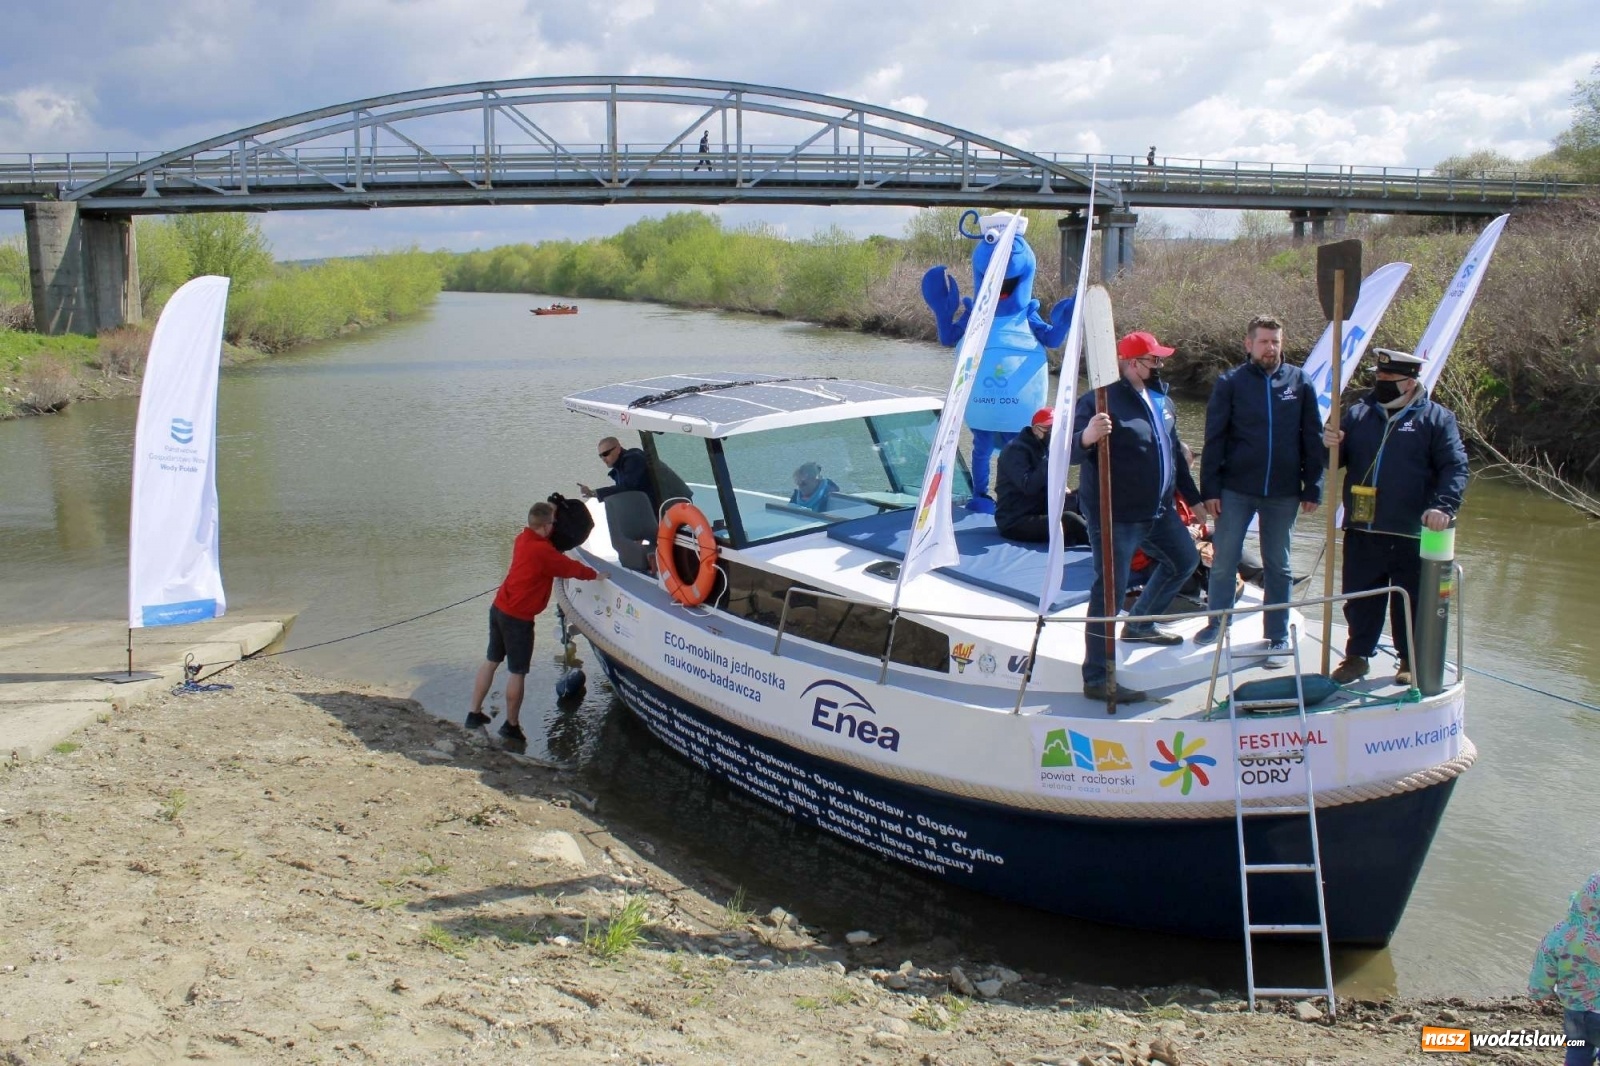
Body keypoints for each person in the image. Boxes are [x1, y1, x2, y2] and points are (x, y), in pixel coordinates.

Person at [1322, 348, 1468, 685]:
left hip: (1410, 531)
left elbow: (1455, 467)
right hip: (1362, 527)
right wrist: (1329, 443)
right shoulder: (1358, 414)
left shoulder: (1436, 419)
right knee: (1360, 596)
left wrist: (1444, 506)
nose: (1381, 383)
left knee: (1411, 599)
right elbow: (1331, 462)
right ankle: (1357, 657)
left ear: (1410, 381)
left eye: (1390, 379)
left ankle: (1408, 660)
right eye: (1379, 377)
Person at [1072, 331, 1201, 703]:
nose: (1159, 365)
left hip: (1157, 510)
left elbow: (1174, 453)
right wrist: (1087, 436)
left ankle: (1140, 624)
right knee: (1109, 591)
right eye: (1153, 360)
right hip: (1116, 514)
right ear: (1131, 364)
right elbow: (1067, 452)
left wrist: (1193, 499)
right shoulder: (1099, 400)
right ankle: (1097, 676)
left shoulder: (1161, 399)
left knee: (1185, 560)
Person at [1195, 314, 1325, 667]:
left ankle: (1277, 635)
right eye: (1264, 341)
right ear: (1248, 344)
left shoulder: (1299, 382)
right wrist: (1210, 489)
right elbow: (1214, 439)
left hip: (1283, 492)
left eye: (1276, 341)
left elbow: (1312, 438)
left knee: (1278, 565)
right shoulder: (1230, 383)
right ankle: (1217, 624)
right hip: (1236, 488)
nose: (1271, 348)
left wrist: (1313, 485)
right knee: (1223, 559)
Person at [467, 502, 606, 742]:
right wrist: (598, 575)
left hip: (499, 608)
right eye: (553, 523)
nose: (555, 526)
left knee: (491, 661)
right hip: (518, 619)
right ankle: (511, 725)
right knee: (517, 673)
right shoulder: (543, 552)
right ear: (544, 527)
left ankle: (473, 713)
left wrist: (551, 508)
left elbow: (551, 554)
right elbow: (570, 568)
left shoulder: (522, 538)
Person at [1528, 869, 1600, 1066]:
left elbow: (1544, 960)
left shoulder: (1564, 931)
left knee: (1577, 1050)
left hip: (1575, 1009)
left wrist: (1539, 992)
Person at [994, 407, 1088, 546]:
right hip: (1015, 520)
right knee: (1070, 520)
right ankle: (1107, 551)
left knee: (1085, 498)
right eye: (1051, 428)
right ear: (1037, 429)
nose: (1055, 433)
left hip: (1040, 507)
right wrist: (1051, 458)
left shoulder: (1042, 444)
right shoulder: (1014, 451)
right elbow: (1029, 486)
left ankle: (1118, 537)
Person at [579, 436, 657, 512]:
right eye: (601, 456)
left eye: (606, 454)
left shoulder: (633, 459)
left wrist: (595, 493)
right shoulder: (619, 468)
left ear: (618, 449)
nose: (603, 459)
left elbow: (628, 487)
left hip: (660, 507)